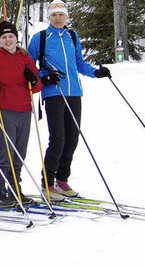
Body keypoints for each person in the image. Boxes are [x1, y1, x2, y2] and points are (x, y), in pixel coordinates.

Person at [27, 0, 111, 200]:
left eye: (61, 14)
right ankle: (48, 184)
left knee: (72, 139)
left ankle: (62, 180)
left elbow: (79, 64)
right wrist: (44, 76)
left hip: (74, 93)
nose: (57, 18)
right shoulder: (41, 38)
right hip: (54, 93)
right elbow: (28, 67)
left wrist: (96, 73)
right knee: (58, 139)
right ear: (49, 17)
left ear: (66, 16)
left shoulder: (73, 36)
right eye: (54, 15)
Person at [0, 21, 43, 207]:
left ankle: (14, 189)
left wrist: (33, 80)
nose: (7, 40)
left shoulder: (25, 58)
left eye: (10, 36)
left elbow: (37, 86)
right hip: (4, 107)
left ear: (16, 37)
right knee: (6, 151)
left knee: (20, 152)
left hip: (25, 109)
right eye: (3, 37)